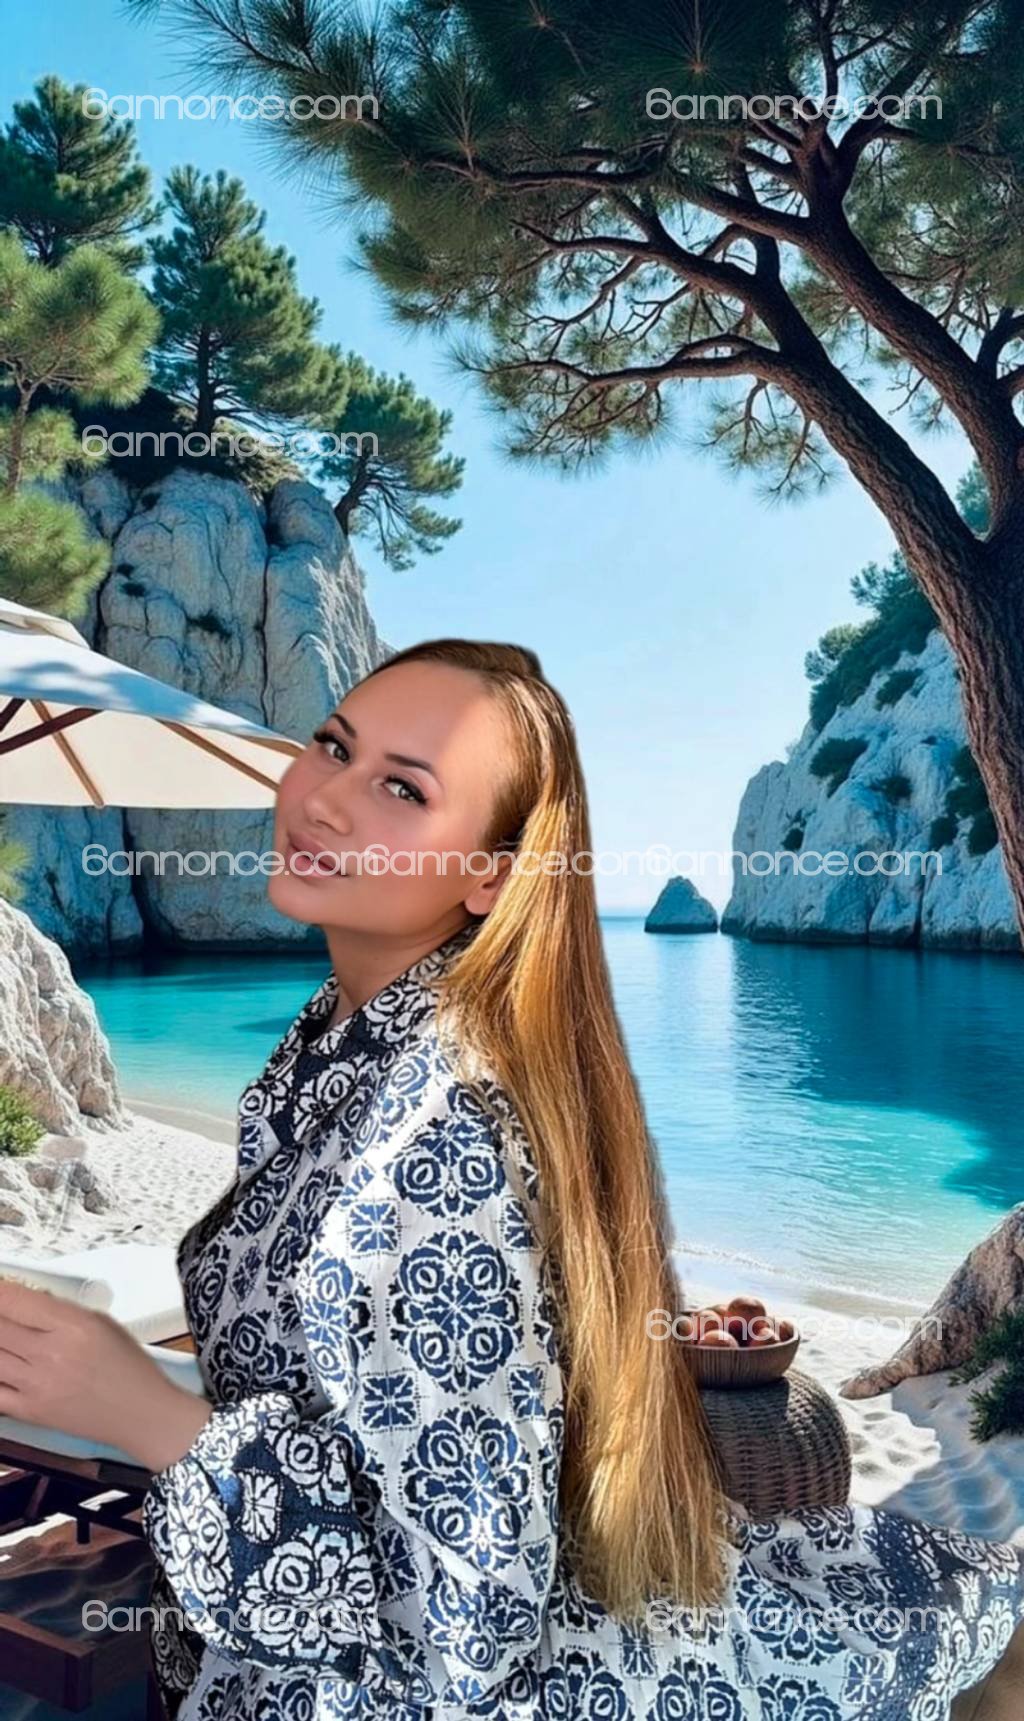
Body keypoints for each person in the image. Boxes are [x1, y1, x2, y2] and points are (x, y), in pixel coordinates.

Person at [1, 639, 1023, 1721]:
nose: (325, 798)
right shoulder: (337, 1044)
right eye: (334, 746)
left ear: (489, 874)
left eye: (404, 787)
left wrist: (147, 1414)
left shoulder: (440, 1143)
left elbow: (462, 1623)